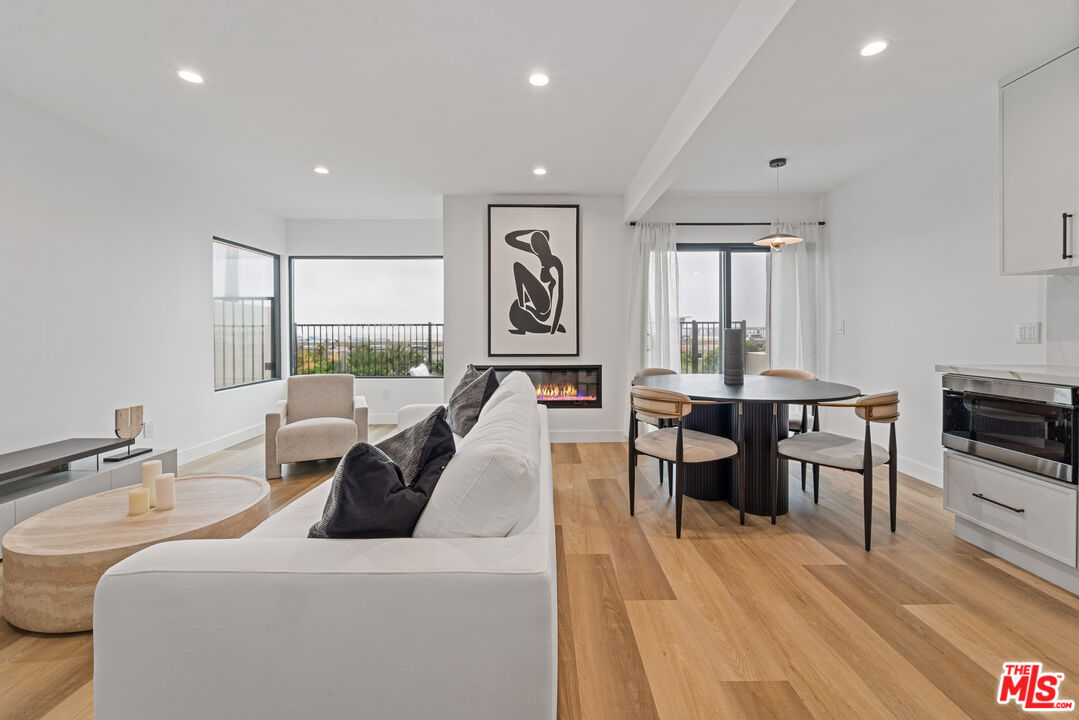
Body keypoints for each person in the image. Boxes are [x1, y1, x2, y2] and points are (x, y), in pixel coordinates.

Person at [504, 229, 565, 335]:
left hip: (545, 308)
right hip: (537, 304)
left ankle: (522, 305)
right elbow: (510, 239)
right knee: (515, 309)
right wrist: (535, 231)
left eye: (538, 246)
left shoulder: (555, 262)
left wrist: (554, 328)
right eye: (534, 247)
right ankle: (522, 312)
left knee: (518, 267)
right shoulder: (537, 253)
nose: (534, 249)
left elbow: (560, 297)